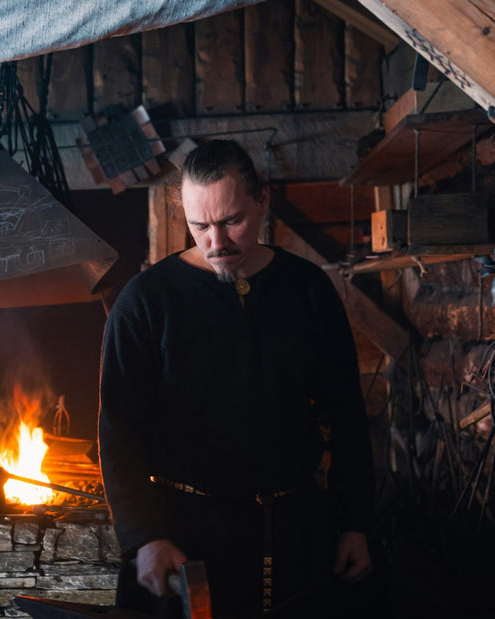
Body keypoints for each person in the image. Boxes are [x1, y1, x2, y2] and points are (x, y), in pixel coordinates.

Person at [98, 139, 375, 617]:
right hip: (187, 535)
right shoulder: (145, 303)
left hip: (297, 533)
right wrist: (144, 536)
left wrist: (355, 522)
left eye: (231, 221)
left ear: (262, 200)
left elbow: (346, 413)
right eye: (200, 226)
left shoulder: (308, 288)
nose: (216, 242)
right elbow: (118, 429)